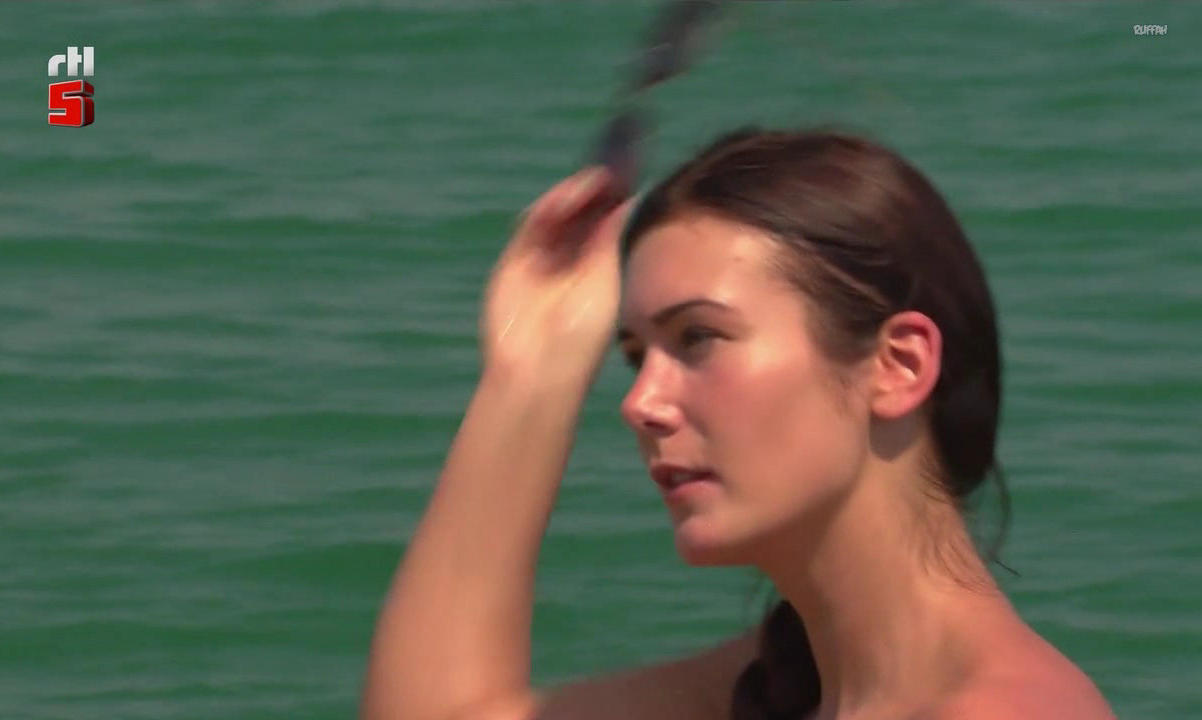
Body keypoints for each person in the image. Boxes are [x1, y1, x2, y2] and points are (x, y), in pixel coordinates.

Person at [360, 127, 1118, 720]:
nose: (640, 403)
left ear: (898, 365)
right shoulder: (783, 683)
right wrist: (533, 372)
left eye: (698, 338)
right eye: (634, 356)